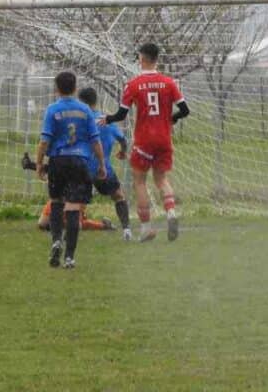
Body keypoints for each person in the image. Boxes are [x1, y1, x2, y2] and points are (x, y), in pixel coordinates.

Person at [101, 42, 189, 242]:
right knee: (161, 179)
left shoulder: (133, 84)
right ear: (157, 59)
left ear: (141, 58)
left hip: (144, 140)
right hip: (164, 139)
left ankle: (146, 228)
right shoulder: (169, 83)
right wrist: (172, 119)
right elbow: (185, 110)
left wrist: (108, 119)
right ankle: (171, 212)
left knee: (139, 181)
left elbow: (121, 114)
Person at [36, 71, 107, 269]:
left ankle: (56, 241)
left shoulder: (52, 110)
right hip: (79, 161)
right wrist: (102, 164)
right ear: (75, 88)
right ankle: (69, 257)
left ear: (57, 89)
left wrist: (39, 163)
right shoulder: (85, 110)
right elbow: (95, 141)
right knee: (74, 208)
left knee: (57, 202)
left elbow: (44, 140)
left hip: (58, 161)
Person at [78, 86, 132, 240]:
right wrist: (123, 151)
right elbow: (123, 139)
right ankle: (127, 230)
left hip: (81, 168)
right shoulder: (106, 121)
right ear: (96, 101)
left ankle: (67, 234)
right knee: (118, 196)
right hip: (102, 169)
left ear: (81, 102)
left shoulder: (79, 121)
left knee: (74, 202)